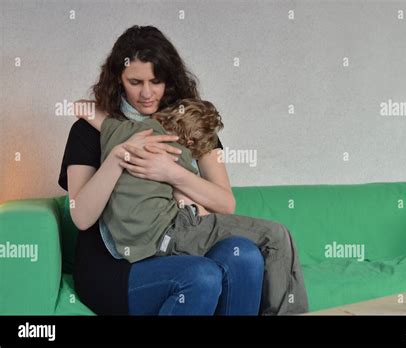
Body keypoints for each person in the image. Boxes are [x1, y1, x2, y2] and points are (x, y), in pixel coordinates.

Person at [59, 25, 264, 315]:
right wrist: (119, 157)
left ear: (169, 80)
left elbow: (224, 202)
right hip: (115, 267)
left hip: (180, 244)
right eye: (135, 82)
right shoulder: (89, 132)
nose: (146, 93)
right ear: (118, 79)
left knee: (245, 255)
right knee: (201, 276)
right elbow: (81, 217)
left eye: (156, 81)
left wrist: (171, 173)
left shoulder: (192, 126)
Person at [75, 97, 224, 262]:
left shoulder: (131, 131)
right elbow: (199, 211)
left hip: (126, 244)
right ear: (190, 141)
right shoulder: (180, 154)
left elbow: (80, 106)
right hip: (163, 239)